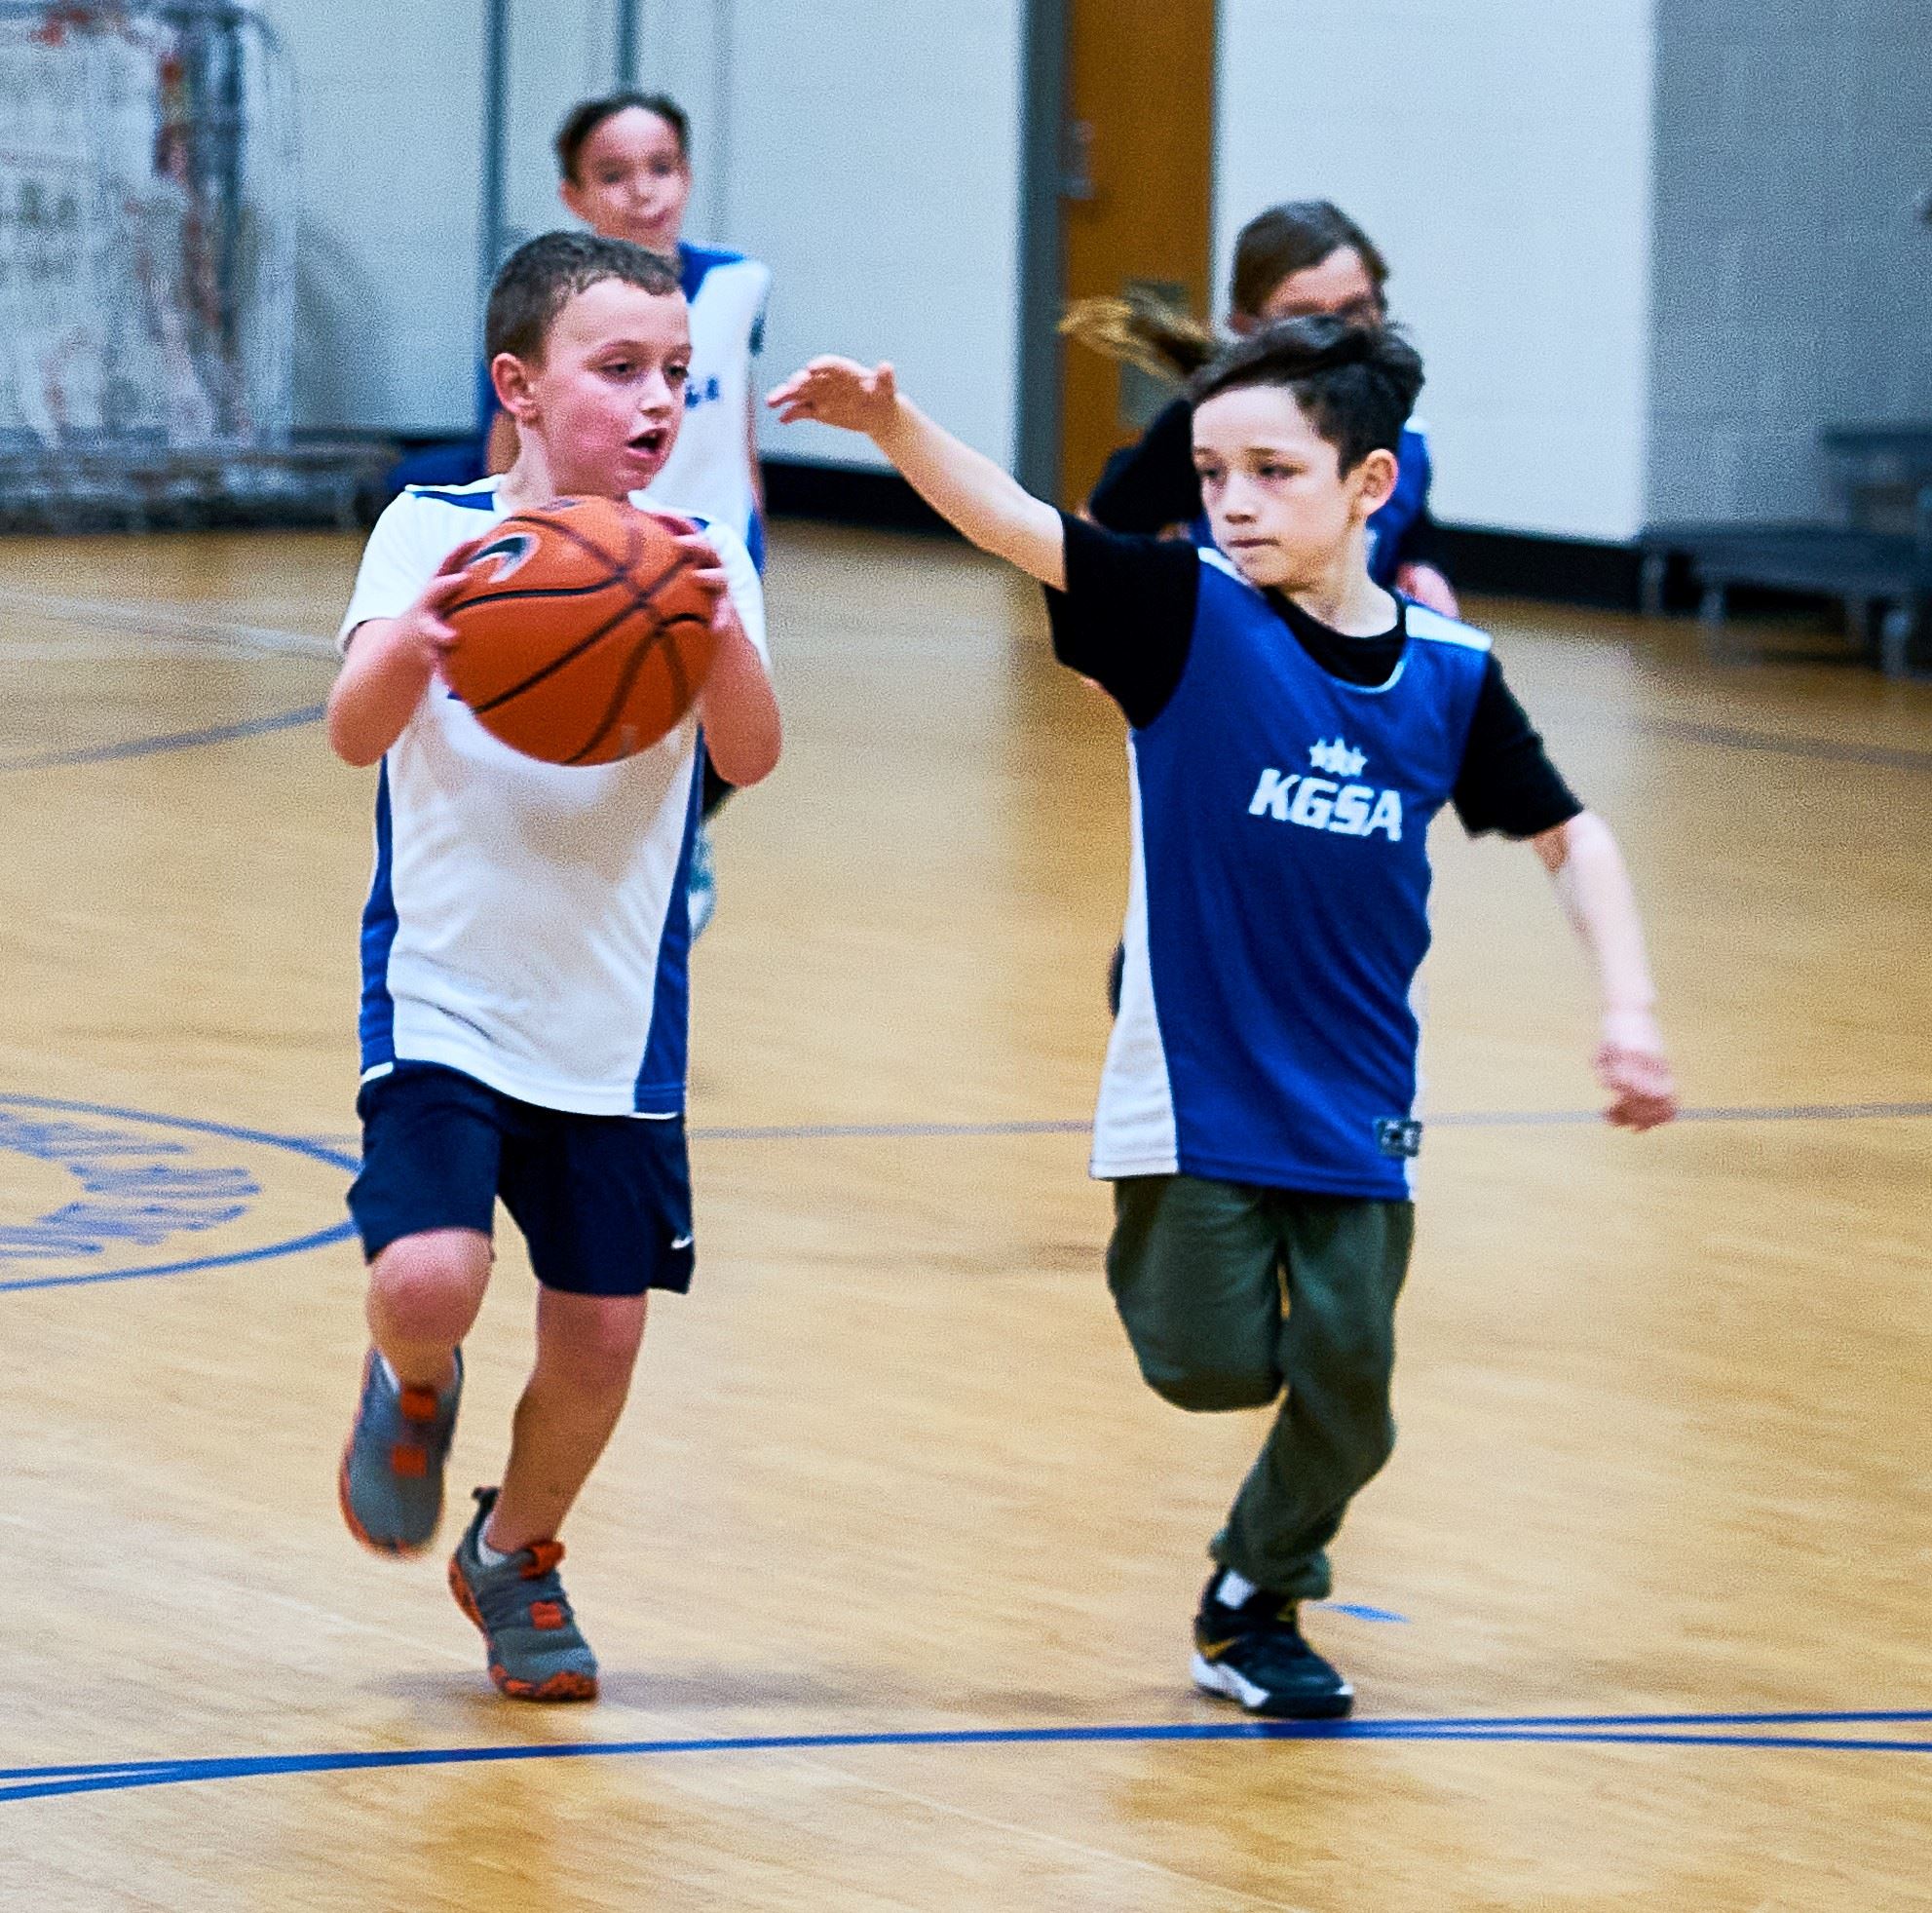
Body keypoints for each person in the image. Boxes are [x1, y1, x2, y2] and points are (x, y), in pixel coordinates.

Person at [768, 319, 1677, 1719]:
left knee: (1352, 1383)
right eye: (1212, 472)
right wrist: (893, 427)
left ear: (1370, 484)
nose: (1234, 500)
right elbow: (1019, 525)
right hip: (1192, 1079)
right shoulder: (1184, 611)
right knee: (1207, 1365)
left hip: (1358, 1089)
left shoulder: (1450, 671)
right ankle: (1235, 1455)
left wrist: (1629, 1008)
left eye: (1272, 470)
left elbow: (1573, 836)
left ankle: (1255, 1593)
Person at [329, 230, 781, 1702]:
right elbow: (351, 726)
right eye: (621, 370)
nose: (659, 401)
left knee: (600, 1333)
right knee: (431, 1271)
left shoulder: (701, 558)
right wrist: (427, 629)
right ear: (520, 384)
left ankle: (516, 1550)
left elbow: (751, 755)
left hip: (611, 1029)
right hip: (448, 996)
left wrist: (712, 630)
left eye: (677, 375)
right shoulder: (429, 527)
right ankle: (411, 1381)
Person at [496, 90, 774, 937]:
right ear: (573, 196)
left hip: (702, 554)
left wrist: (759, 533)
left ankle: (680, 841)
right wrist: (505, 546)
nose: (643, 191)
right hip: (587, 558)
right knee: (597, 720)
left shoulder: (737, 284)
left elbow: (740, 424)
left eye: (661, 168)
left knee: (720, 740)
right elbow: (509, 446)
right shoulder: (544, 312)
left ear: (687, 177)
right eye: (613, 175)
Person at [1074, 198, 1458, 618]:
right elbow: (1096, 537)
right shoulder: (1205, 427)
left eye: (1355, 312)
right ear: (1246, 327)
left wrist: (1425, 564)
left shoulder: (1394, 416)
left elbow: (1406, 517)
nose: (1336, 340)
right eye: (1303, 320)